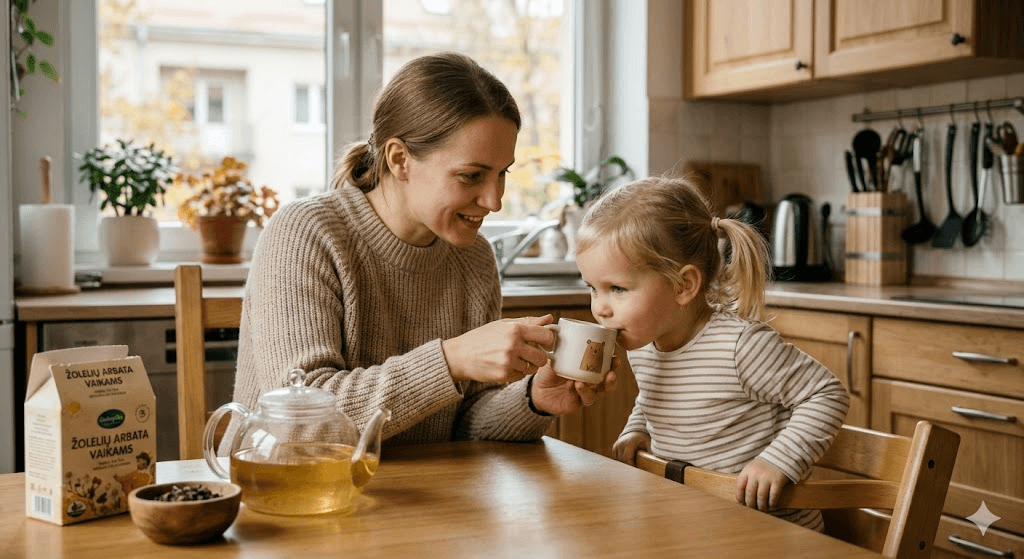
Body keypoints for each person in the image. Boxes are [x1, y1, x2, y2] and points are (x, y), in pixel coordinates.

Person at [231, 52, 616, 448]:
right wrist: (449, 361)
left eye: (502, 174)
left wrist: (534, 399)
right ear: (400, 160)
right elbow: (297, 424)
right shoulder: (307, 233)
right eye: (471, 175)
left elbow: (463, 423)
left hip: (415, 495)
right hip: (282, 495)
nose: (494, 200)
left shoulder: (474, 258)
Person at [576, 176, 849, 531]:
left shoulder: (742, 346)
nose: (600, 308)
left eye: (616, 289)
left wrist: (778, 462)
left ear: (684, 285)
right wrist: (638, 428)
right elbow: (658, 396)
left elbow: (826, 394)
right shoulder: (645, 345)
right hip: (695, 523)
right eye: (592, 289)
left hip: (769, 533)